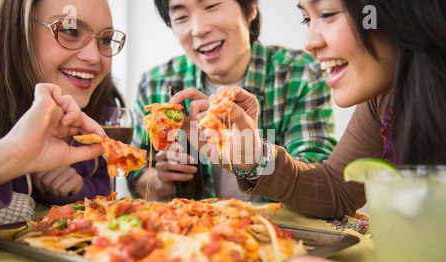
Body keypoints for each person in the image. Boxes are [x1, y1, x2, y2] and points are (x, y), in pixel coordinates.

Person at [171, 0, 446, 219]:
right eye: (306, 18)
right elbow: (337, 191)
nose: (310, 42)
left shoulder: (299, 73)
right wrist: (252, 159)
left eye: (327, 14)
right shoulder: (383, 98)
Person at [129, 0, 337, 201]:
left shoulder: (300, 74)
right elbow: (136, 175)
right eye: (181, 16)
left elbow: (317, 183)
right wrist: (162, 181)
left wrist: (254, 157)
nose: (199, 29)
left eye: (212, 6)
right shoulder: (155, 84)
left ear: (251, 8)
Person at [0, 0, 126, 205]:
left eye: (106, 39)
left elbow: (105, 187)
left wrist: (79, 188)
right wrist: (18, 153)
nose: (94, 57)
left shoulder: (104, 104)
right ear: (18, 30)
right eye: (69, 31)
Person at [0, 84, 106, 210]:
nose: (93, 62)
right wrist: (20, 152)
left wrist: (79, 189)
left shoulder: (101, 103)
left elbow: (103, 185)